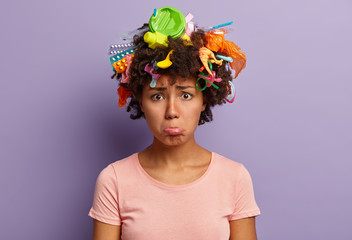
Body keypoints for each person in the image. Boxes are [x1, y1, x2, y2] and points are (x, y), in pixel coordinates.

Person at [88, 7, 261, 240]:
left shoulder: (235, 178)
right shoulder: (114, 180)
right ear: (140, 99)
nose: (171, 112)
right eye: (157, 96)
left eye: (186, 95)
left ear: (204, 99)